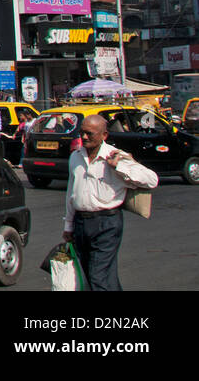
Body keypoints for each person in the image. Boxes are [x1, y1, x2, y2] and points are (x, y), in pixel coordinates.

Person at [62, 114, 158, 291]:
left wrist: (118, 167)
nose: (84, 137)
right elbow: (71, 191)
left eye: (89, 134)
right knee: (93, 275)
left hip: (107, 223)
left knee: (98, 275)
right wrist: (68, 225)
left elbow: (152, 180)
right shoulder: (75, 157)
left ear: (104, 135)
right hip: (81, 222)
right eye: (82, 133)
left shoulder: (115, 156)